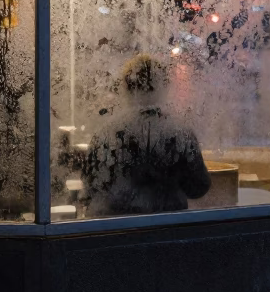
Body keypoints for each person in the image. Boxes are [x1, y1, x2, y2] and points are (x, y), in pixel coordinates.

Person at [81, 54, 212, 217]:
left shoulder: (106, 134)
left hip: (119, 228)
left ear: (126, 88)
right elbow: (198, 187)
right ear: (164, 87)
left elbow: (92, 187)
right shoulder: (180, 134)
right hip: (169, 226)